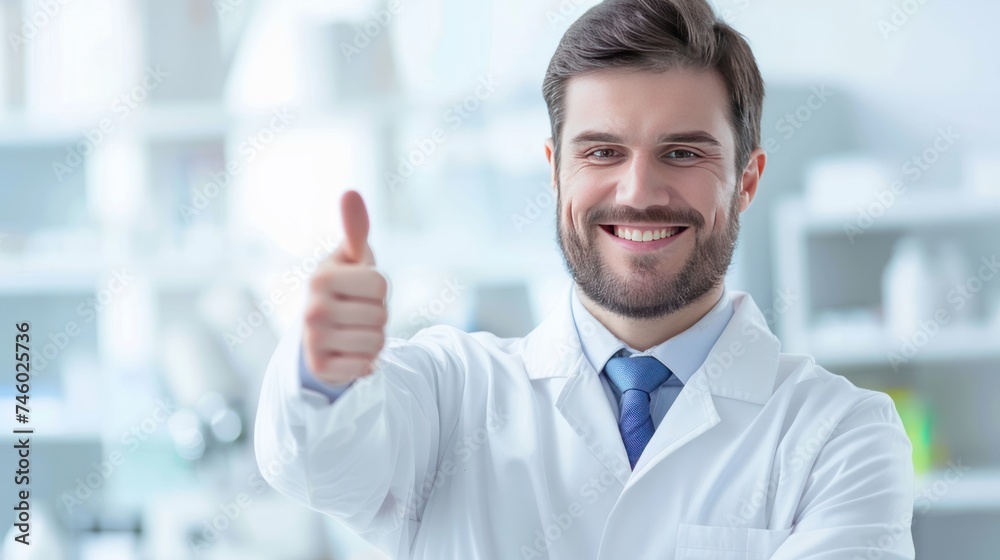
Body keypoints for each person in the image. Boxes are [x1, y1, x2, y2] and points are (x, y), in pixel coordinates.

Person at [254, 0, 915, 558]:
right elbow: (315, 464)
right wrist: (327, 370)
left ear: (747, 180)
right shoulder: (451, 395)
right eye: (602, 151)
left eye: (682, 153)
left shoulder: (840, 435)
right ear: (554, 172)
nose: (638, 191)